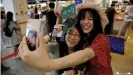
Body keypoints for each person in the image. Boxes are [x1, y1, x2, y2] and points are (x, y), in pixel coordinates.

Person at [19, 3, 113, 75]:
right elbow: (55, 35)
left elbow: (85, 56)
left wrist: (48, 65)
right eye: (82, 18)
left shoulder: (101, 40)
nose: (85, 22)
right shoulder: (59, 46)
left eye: (90, 18)